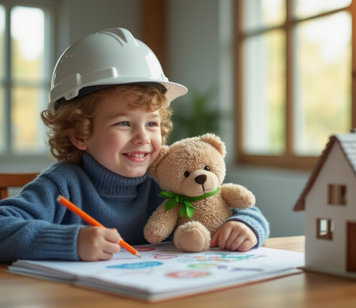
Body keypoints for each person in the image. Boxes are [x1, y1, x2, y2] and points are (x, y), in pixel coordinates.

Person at [0, 28, 269, 262]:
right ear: (80, 135)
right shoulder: (62, 184)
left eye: (151, 124)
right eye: (124, 124)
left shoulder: (167, 178)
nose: (143, 137)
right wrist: (70, 242)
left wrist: (244, 225)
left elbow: (236, 207)